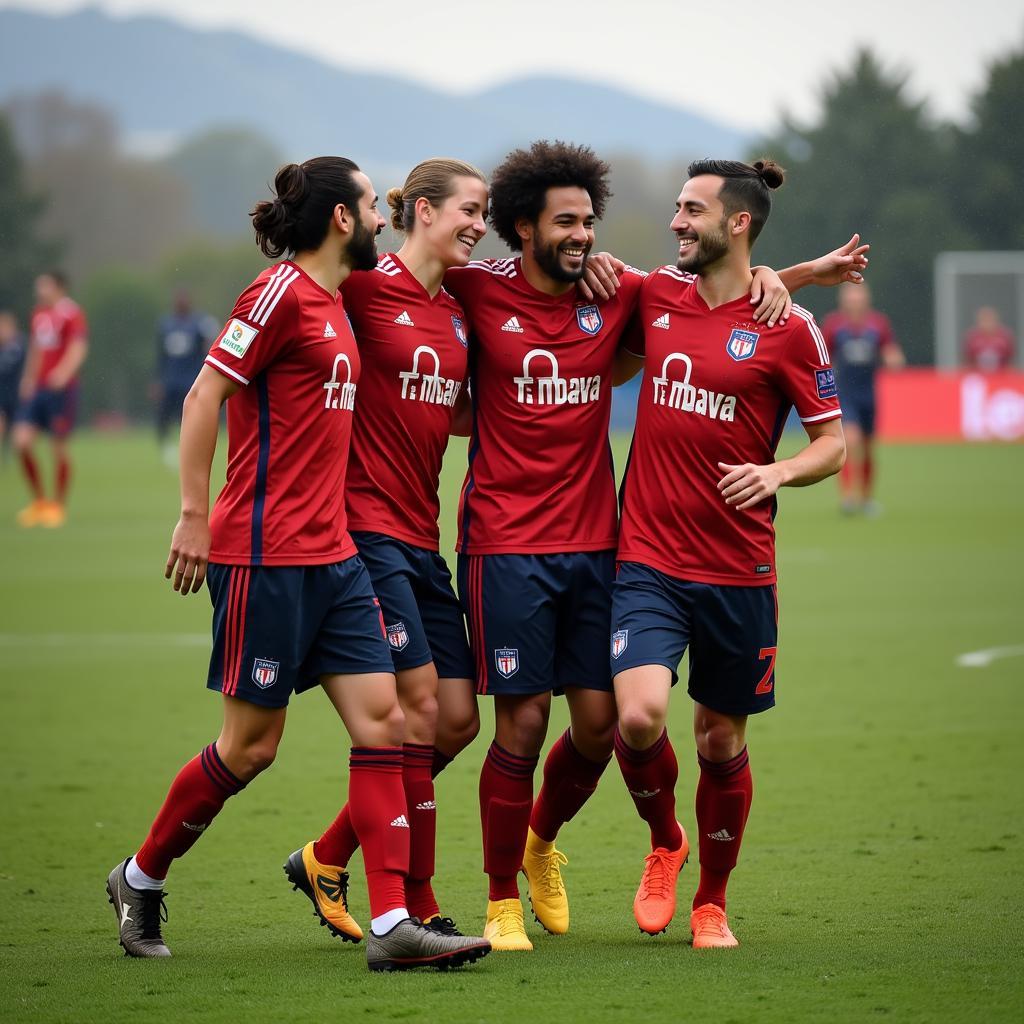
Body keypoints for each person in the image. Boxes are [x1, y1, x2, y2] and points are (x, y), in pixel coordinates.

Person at [104, 156, 490, 973]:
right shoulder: (279, 293)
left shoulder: (340, 304)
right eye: (369, 206)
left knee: (388, 722)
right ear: (343, 219)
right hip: (264, 555)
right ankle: (140, 876)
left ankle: (392, 923)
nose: (382, 219)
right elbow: (204, 395)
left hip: (339, 556)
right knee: (251, 748)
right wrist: (194, 516)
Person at [440, 141, 800, 952]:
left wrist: (785, 275)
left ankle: (542, 846)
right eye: (566, 223)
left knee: (604, 725)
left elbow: (722, 288)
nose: (584, 237)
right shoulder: (475, 289)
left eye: (590, 223)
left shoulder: (623, 291)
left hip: (602, 542)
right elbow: (404, 282)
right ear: (521, 228)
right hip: (502, 541)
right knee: (521, 723)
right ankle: (500, 901)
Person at [609, 159, 846, 950]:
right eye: (676, 208)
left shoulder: (789, 327)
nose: (676, 222)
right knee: (638, 716)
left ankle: (712, 901)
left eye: (691, 210)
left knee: (719, 738)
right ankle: (666, 841)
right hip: (646, 556)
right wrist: (799, 268)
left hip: (739, 569)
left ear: (737, 222)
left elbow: (834, 445)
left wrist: (777, 470)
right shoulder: (653, 295)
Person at [284, 158, 488, 941]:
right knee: (418, 709)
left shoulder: (459, 305)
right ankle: (415, 906)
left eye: (486, 215)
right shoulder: (362, 289)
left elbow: (450, 408)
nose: (479, 224)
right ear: (423, 210)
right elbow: (290, 316)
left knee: (458, 720)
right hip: (361, 530)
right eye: (469, 210)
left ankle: (327, 854)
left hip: (420, 534)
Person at [13, 272, 88, 527]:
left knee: (58, 447)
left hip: (61, 390)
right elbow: (36, 349)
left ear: (58, 287)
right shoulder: (38, 314)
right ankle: (39, 502)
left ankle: (57, 505)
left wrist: (63, 373)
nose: (39, 290)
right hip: (39, 390)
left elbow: (78, 347)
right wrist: (28, 378)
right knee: (21, 442)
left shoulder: (71, 313)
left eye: (43, 285)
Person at [821, 282, 903, 515]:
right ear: (843, 300)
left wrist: (893, 359)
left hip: (869, 395)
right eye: (850, 297)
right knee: (851, 441)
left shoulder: (878, 324)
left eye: (858, 297)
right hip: (845, 394)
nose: (854, 301)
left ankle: (866, 500)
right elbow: (823, 356)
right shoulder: (834, 325)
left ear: (866, 299)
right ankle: (848, 498)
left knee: (867, 448)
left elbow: (890, 350)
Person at [155, 288, 216, 465]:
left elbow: (207, 348)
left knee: (190, 416)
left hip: (190, 379)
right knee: (164, 415)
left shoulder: (198, 323)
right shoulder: (166, 324)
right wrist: (157, 380)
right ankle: (166, 448)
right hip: (170, 380)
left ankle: (190, 447)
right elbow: (161, 355)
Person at [0, 310, 26, 460]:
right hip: (2, 393)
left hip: (17, 393)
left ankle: (10, 454)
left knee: (18, 430)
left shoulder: (21, 345)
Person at [963, 306, 1015, 372]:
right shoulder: (972, 337)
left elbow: (1010, 357)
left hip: (1001, 374)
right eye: (984, 320)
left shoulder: (1004, 336)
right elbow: (967, 359)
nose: (987, 323)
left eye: (989, 319)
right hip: (978, 374)